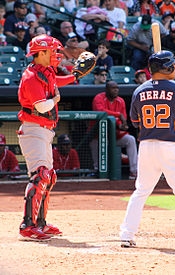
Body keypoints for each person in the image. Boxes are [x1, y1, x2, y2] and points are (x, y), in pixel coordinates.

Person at [119, 50, 175, 249]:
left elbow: (135, 122)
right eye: (173, 65)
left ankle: (127, 234)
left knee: (141, 190)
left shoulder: (139, 90)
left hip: (147, 145)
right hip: (170, 144)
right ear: (166, 67)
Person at [17, 34, 95, 241]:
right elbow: (42, 106)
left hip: (44, 131)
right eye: (52, 51)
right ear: (40, 53)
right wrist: (56, 98)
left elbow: (56, 80)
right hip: (33, 129)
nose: (56, 55)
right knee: (40, 175)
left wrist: (75, 76)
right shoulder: (31, 76)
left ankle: (40, 223)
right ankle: (28, 225)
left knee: (48, 177)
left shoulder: (44, 72)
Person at [90, 81, 138, 179]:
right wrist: (117, 115)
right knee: (94, 142)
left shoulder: (121, 101)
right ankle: (97, 169)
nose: (116, 90)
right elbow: (100, 112)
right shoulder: (99, 98)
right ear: (107, 89)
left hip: (115, 135)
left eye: (117, 88)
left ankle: (134, 171)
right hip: (99, 136)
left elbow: (123, 118)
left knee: (131, 140)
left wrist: (121, 126)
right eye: (113, 88)